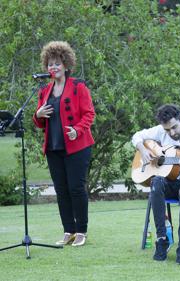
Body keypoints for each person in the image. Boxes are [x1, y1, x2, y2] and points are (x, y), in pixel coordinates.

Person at [33, 41, 95, 247]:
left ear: (66, 64)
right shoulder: (44, 91)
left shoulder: (78, 86)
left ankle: (81, 232)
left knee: (76, 189)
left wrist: (77, 129)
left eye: (57, 63)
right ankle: (68, 231)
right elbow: (40, 122)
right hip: (54, 147)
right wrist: (38, 114)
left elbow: (89, 114)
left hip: (77, 147)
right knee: (61, 190)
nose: (53, 68)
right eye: (50, 64)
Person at [132, 104, 180, 264]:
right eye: (167, 130)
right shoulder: (161, 131)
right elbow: (137, 136)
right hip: (169, 182)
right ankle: (162, 240)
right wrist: (144, 150)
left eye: (174, 127)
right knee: (156, 181)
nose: (171, 133)